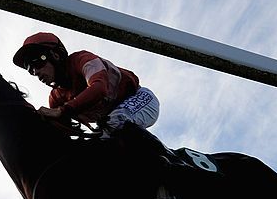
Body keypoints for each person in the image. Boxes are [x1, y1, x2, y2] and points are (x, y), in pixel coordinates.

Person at [12, 32, 190, 179]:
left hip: (141, 99)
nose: (35, 72)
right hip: (108, 123)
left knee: (115, 122)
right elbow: (62, 138)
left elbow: (99, 87)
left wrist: (62, 110)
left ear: (55, 55)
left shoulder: (82, 59)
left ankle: (171, 166)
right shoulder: (55, 98)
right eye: (29, 68)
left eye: (37, 62)